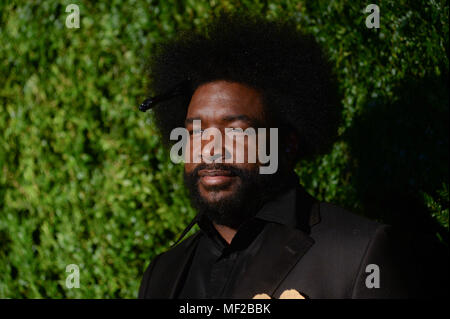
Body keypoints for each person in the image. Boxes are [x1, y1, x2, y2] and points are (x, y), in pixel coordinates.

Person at [137, 12, 411, 299]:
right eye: (195, 132)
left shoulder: (358, 254)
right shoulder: (163, 273)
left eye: (236, 130)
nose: (210, 147)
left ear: (287, 144)